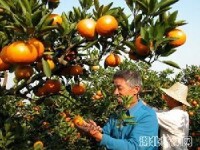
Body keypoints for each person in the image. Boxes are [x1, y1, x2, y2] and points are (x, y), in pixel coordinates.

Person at [75, 70, 159, 150]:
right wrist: (95, 131)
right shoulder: (118, 113)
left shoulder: (147, 115)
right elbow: (106, 134)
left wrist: (100, 136)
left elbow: (134, 147)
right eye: (115, 88)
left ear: (135, 90)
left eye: (119, 88)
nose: (115, 92)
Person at [156, 82, 191, 150]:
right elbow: (158, 111)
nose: (166, 98)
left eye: (168, 96)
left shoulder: (173, 116)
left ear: (174, 99)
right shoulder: (183, 113)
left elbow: (152, 115)